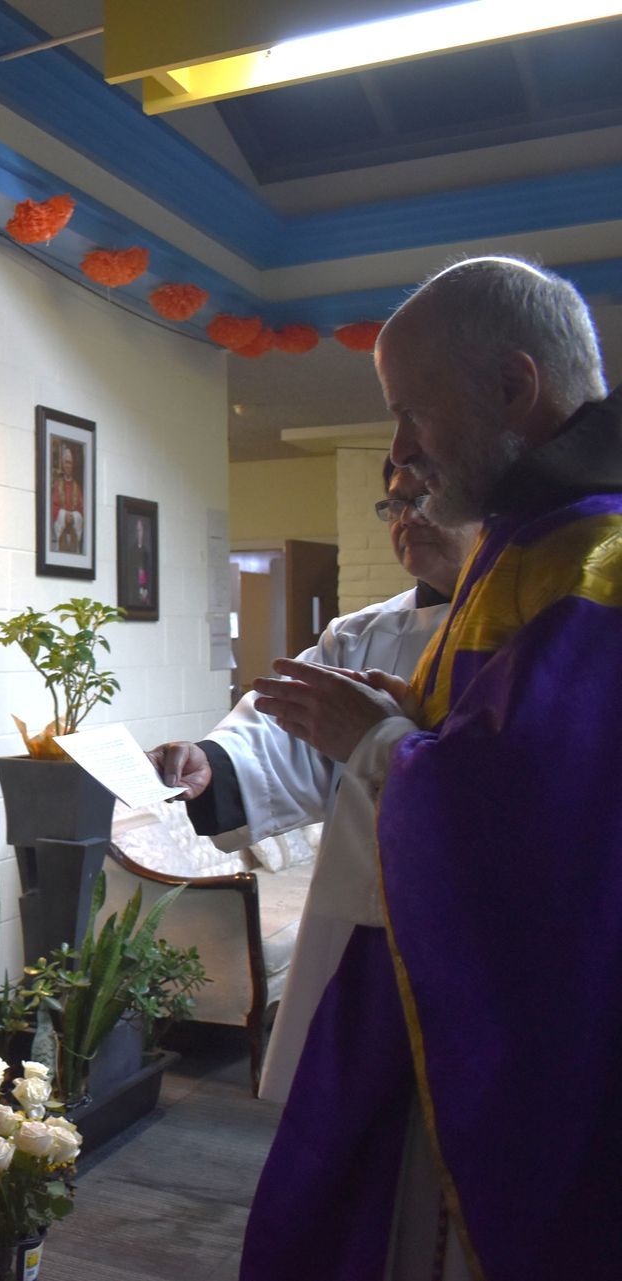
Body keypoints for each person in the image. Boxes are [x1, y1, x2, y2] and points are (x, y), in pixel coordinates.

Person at [235, 257, 618, 1281]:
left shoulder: (597, 559)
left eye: (411, 410)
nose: (400, 451)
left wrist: (377, 744)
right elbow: (502, 748)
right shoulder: (530, 543)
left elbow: (545, 825)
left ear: (513, 387)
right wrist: (409, 717)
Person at [149, 456, 473, 1101]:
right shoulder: (359, 635)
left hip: (474, 912)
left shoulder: (536, 623)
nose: (406, 518)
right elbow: (281, 735)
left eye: (425, 498)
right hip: (369, 899)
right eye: (395, 503)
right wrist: (213, 762)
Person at [50, 443, 84, 554]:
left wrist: (74, 516)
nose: (68, 465)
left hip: (73, 533)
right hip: (61, 533)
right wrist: (64, 515)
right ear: (63, 464)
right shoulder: (57, 485)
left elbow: (82, 511)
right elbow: (53, 507)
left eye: (70, 463)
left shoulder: (77, 488)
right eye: (66, 462)